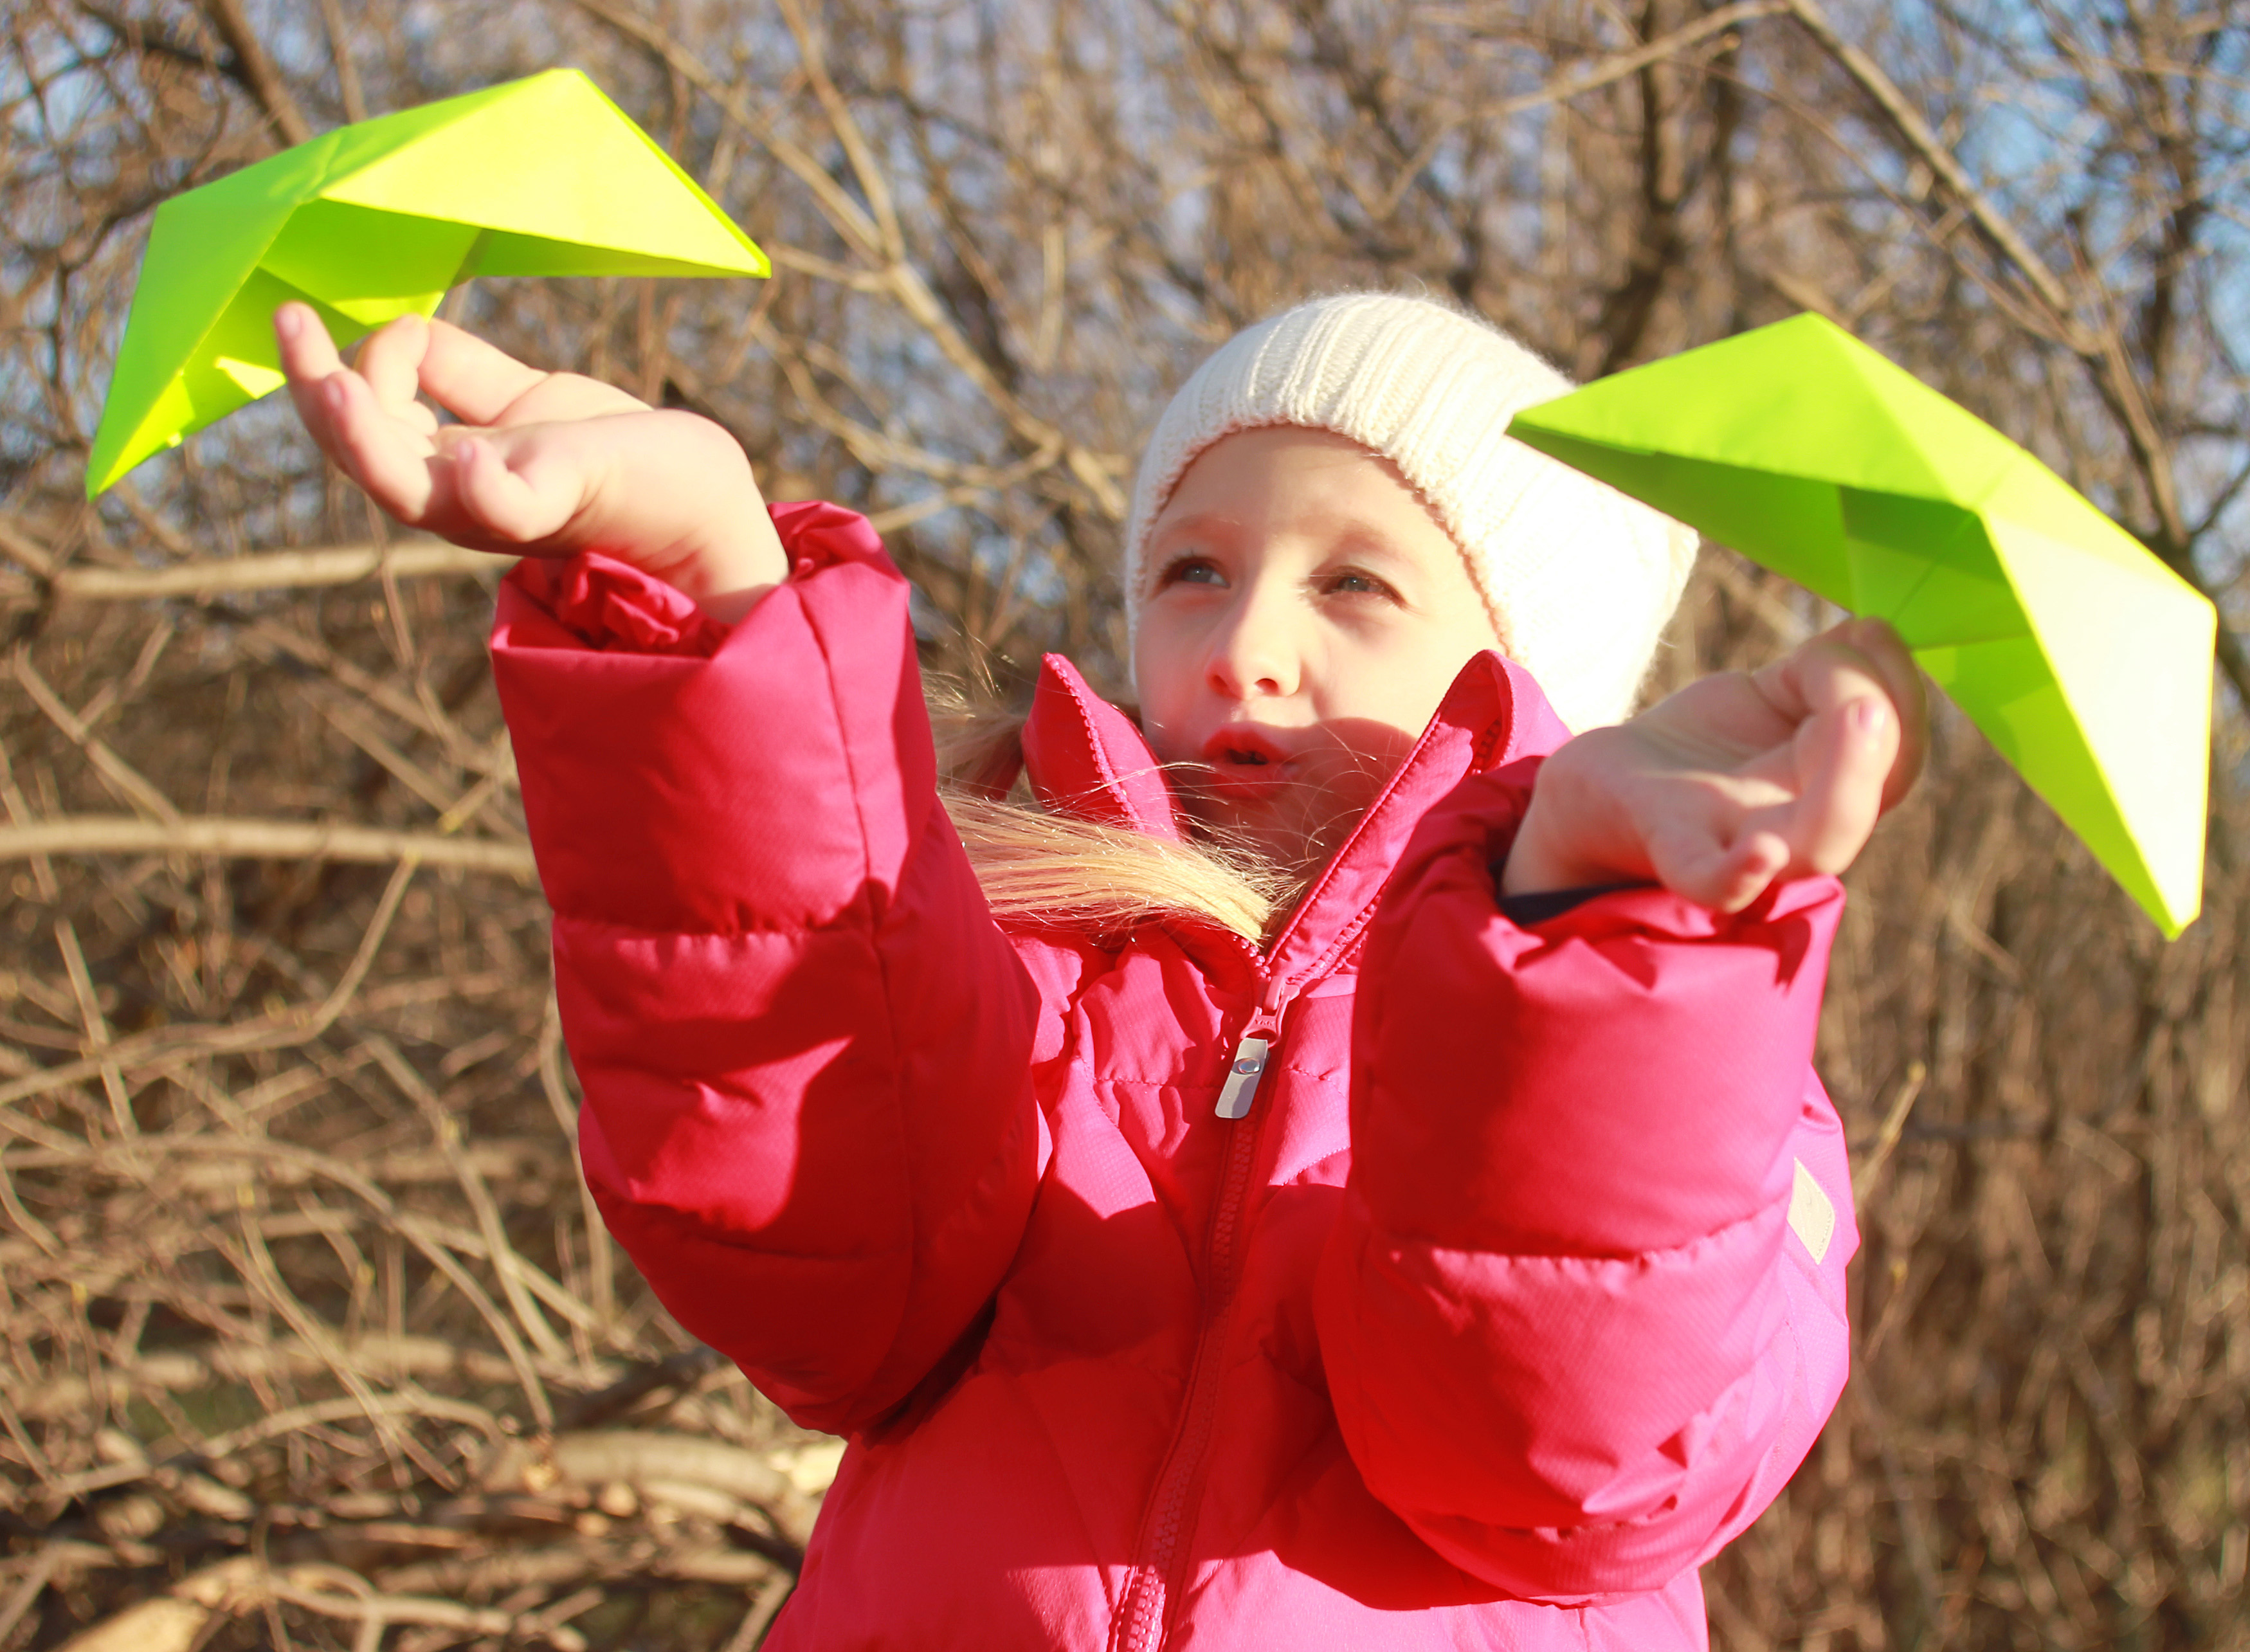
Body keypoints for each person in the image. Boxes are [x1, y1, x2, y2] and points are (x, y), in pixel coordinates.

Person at [275, 289, 1925, 1649]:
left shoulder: (1703, 1055)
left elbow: (1560, 1465)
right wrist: (705, 592)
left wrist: (1590, 936)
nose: (1242, 643)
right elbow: (820, 1264)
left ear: (1535, 680)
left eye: (1358, 581)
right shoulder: (1013, 924)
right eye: (1192, 568)